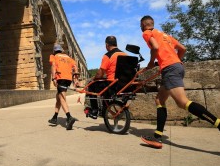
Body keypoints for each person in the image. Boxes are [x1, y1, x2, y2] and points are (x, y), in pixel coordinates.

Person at [140, 15, 220, 149]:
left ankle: (218, 123)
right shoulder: (165, 35)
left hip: (170, 69)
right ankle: (157, 137)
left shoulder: (147, 33)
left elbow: (154, 47)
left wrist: (150, 63)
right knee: (159, 100)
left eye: (141, 26)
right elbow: (183, 49)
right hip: (176, 66)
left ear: (143, 25)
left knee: (183, 102)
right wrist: (174, 61)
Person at [86, 36, 127, 119]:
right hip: (125, 85)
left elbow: (100, 73)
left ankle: (94, 111)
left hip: (112, 85)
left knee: (91, 85)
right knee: (104, 86)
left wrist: (94, 79)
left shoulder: (108, 55)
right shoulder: (125, 55)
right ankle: (105, 109)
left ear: (107, 45)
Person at [48, 44, 79, 130]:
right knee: (58, 97)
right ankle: (54, 117)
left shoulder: (54, 56)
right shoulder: (68, 57)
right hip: (68, 79)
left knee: (62, 98)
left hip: (60, 78)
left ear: (54, 51)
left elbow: (53, 66)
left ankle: (69, 117)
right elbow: (75, 66)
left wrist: (53, 78)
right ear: (62, 50)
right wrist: (76, 79)